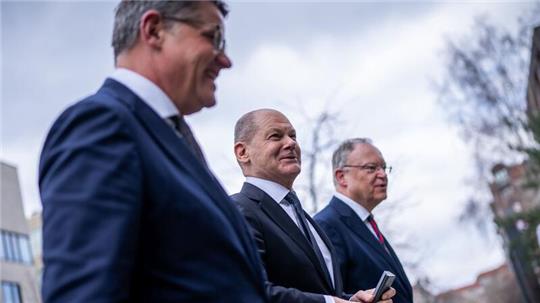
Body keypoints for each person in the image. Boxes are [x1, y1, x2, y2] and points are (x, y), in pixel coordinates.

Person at [38, 1, 267, 302]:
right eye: (213, 38)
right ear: (154, 30)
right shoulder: (101, 126)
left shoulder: (168, 136)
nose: (225, 60)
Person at [231, 109, 395, 303]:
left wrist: (351, 300)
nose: (291, 143)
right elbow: (247, 290)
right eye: (275, 136)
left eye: (293, 136)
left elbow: (319, 290)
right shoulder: (238, 210)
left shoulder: (303, 217)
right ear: (243, 152)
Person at [314, 138, 413, 303]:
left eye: (383, 167)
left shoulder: (367, 224)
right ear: (341, 177)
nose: (382, 174)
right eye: (371, 168)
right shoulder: (326, 225)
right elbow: (327, 294)